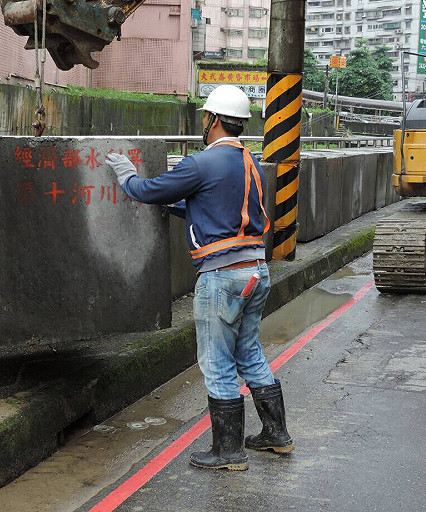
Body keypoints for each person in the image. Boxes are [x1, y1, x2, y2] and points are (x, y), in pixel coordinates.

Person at [106, 84, 293, 471]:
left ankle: (228, 452)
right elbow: (218, 207)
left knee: (217, 362)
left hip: (223, 277)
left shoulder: (201, 163)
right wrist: (182, 208)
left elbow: (147, 190)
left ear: (213, 120)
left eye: (205, 117)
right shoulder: (250, 162)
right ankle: (276, 434)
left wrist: (126, 175)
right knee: (249, 353)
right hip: (256, 272)